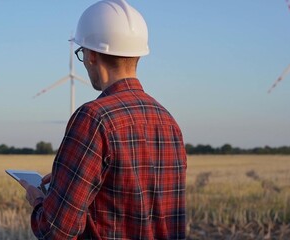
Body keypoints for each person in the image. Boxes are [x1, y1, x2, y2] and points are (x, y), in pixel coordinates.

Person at [20, 0, 187, 239]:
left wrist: (39, 200)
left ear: (91, 55)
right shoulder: (169, 122)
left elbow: (56, 230)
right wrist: (67, 182)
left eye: (82, 52)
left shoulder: (94, 119)